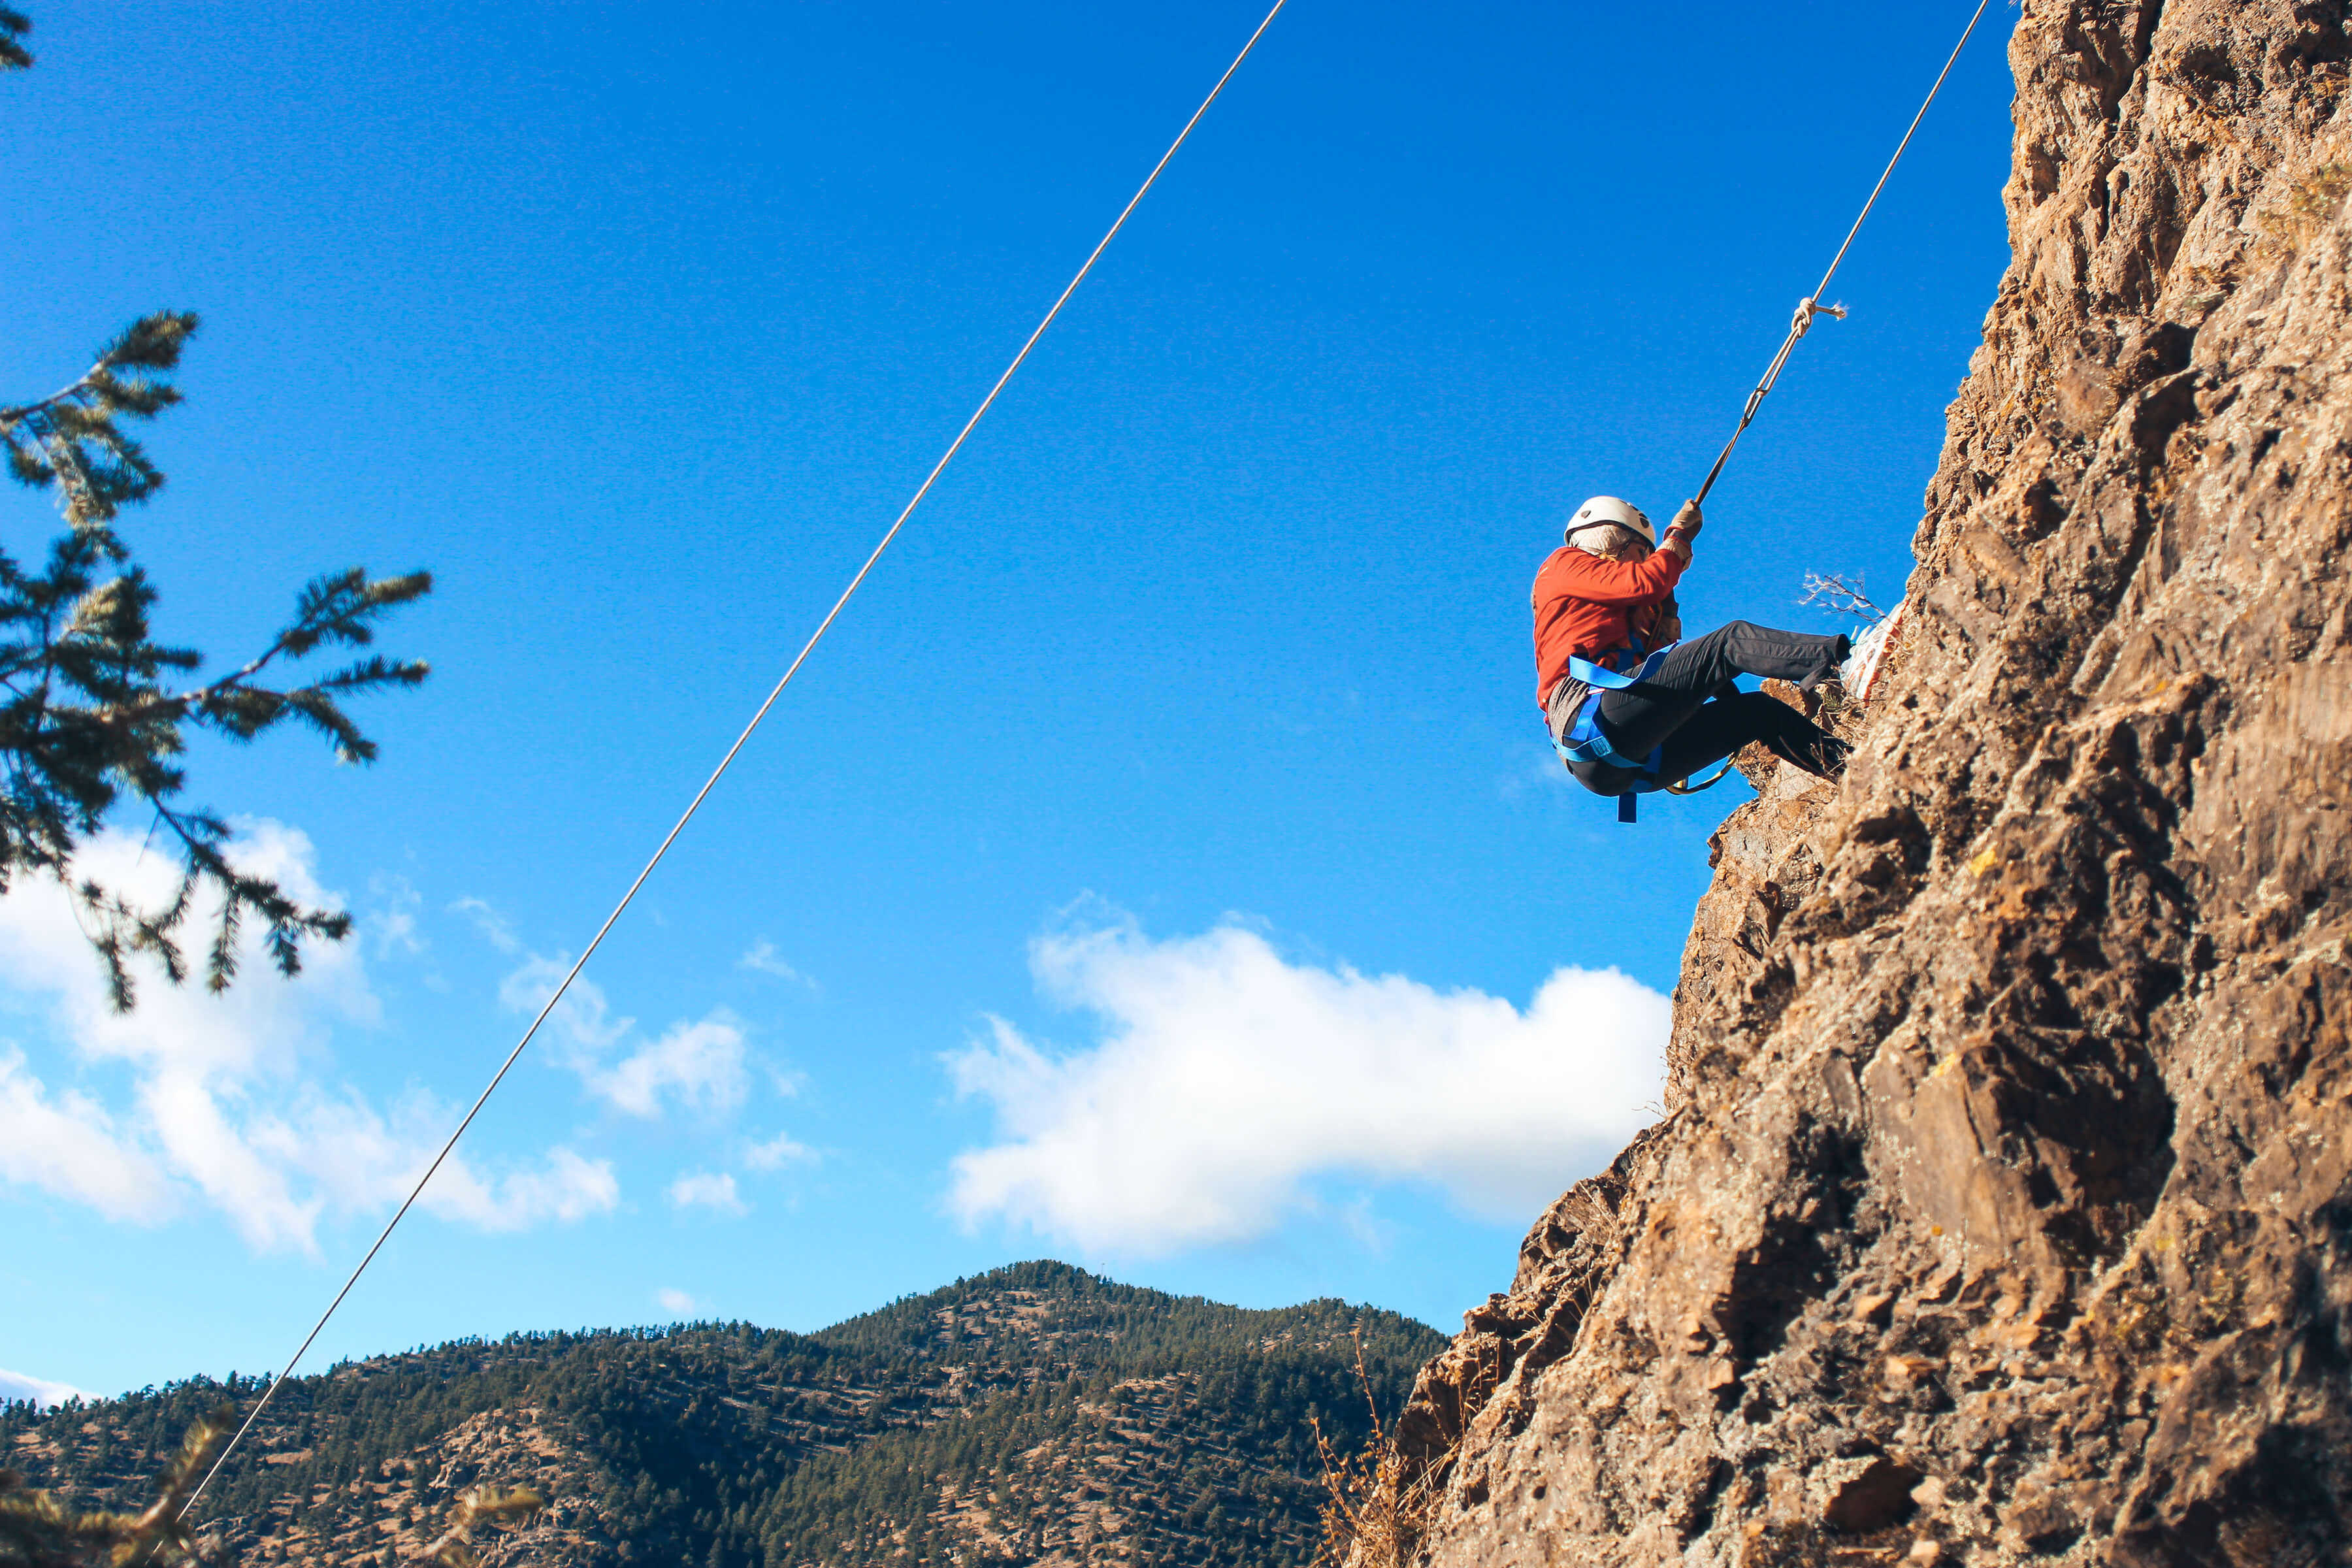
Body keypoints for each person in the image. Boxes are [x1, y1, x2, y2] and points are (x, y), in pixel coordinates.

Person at [1533, 495, 1850, 811]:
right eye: (1641, 550)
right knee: (1730, 640)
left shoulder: (1605, 605)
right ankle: (1840, 661)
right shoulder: (1563, 564)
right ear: (1612, 539)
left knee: (1758, 712)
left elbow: (1670, 671)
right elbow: (1647, 583)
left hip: (1619, 754)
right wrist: (1678, 537)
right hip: (1589, 717)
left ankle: (1854, 771)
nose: (1645, 558)